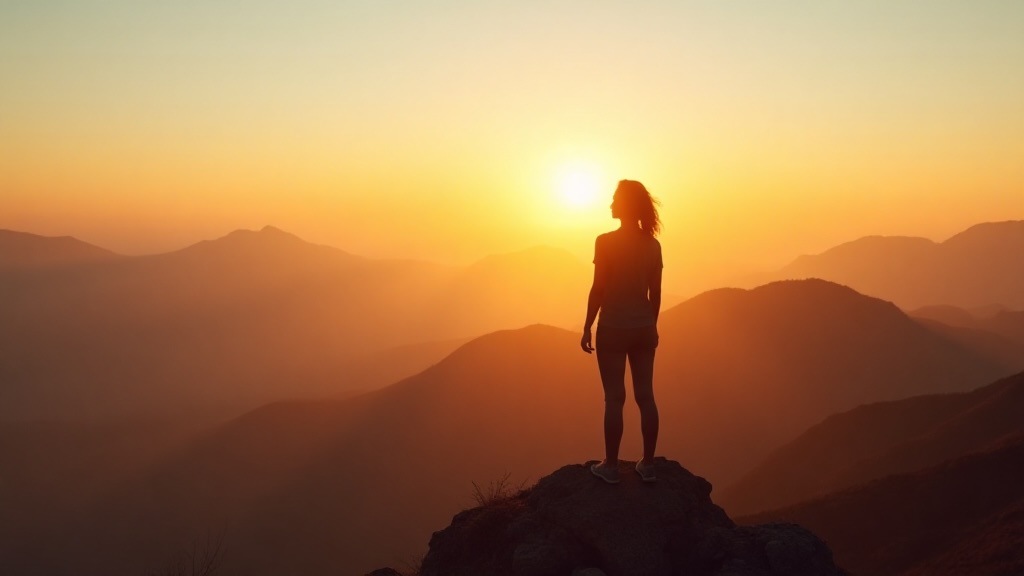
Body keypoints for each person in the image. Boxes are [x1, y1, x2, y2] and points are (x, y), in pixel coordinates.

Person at [581, 179, 663, 484]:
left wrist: (587, 325)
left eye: (615, 199)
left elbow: (598, 288)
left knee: (614, 398)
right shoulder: (653, 245)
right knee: (646, 396)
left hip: (613, 327)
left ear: (624, 205)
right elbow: (655, 293)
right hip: (643, 327)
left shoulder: (605, 242)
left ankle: (611, 467)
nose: (610, 204)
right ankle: (649, 465)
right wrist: (652, 326)